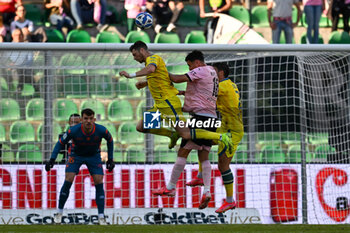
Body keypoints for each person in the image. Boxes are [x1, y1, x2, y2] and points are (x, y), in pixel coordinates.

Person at [119, 41, 233, 154]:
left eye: (134, 54)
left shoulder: (153, 59)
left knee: (186, 134)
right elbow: (161, 80)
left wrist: (131, 75)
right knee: (141, 127)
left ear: (142, 50)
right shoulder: (150, 63)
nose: (134, 58)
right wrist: (145, 83)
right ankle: (172, 134)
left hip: (168, 104)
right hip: (159, 105)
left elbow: (151, 69)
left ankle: (222, 137)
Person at [152, 50, 220, 210]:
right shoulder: (212, 71)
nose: (190, 69)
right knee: (204, 155)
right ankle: (207, 191)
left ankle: (170, 187)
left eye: (190, 66)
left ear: (196, 62)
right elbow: (202, 91)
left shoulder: (200, 70)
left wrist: (159, 71)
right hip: (212, 118)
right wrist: (184, 93)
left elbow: (176, 78)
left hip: (199, 118)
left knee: (183, 152)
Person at [186, 62, 244, 213]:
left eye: (214, 72)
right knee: (202, 138)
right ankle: (200, 175)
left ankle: (230, 201)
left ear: (221, 73)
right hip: (225, 125)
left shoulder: (223, 86)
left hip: (232, 130)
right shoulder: (228, 85)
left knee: (223, 166)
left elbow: (204, 93)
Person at [45, 108, 115, 225]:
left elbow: (110, 140)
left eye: (90, 118)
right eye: (85, 119)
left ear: (94, 119)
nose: (88, 121)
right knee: (68, 179)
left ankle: (101, 217)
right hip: (76, 155)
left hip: (93, 156)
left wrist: (111, 159)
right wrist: (52, 159)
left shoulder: (101, 130)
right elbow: (60, 143)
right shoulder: (74, 130)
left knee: (99, 181)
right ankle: (59, 213)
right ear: (82, 120)